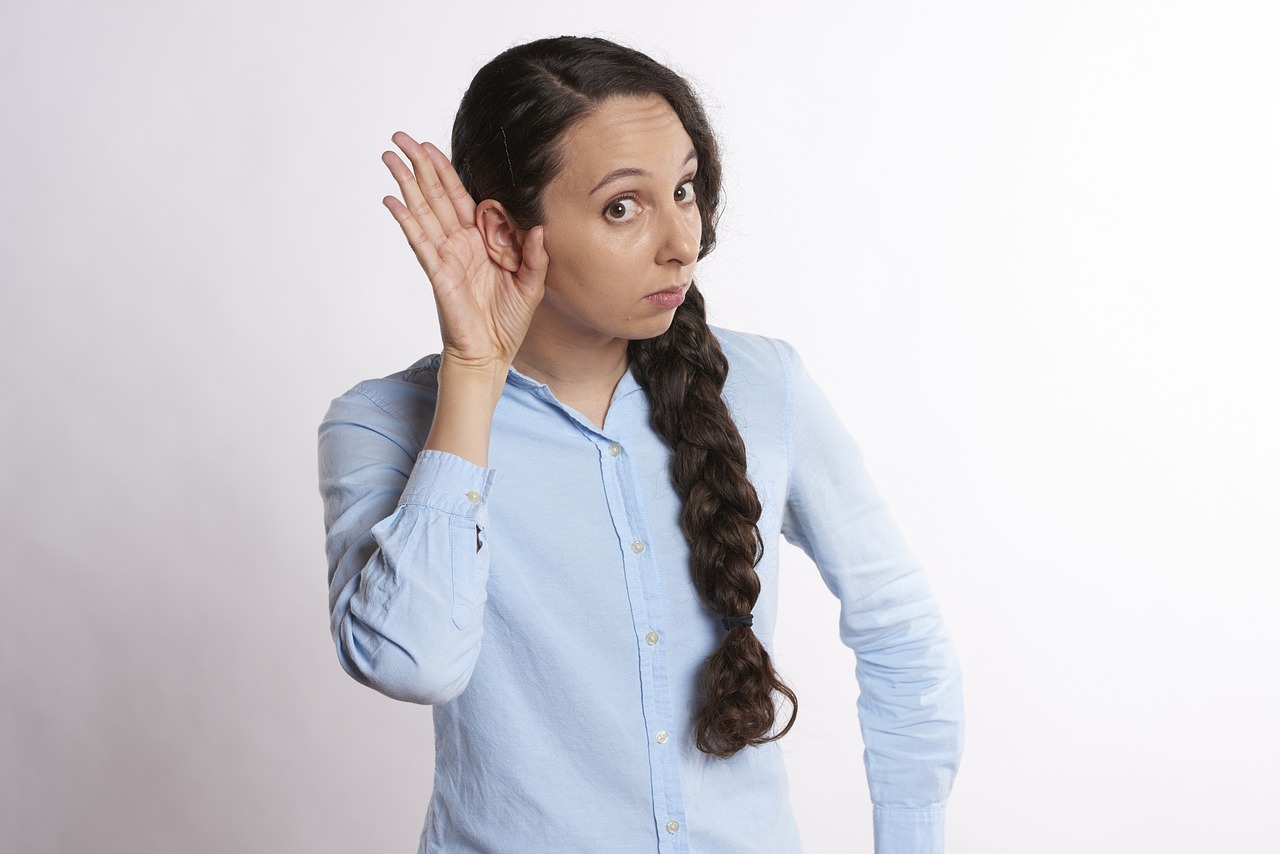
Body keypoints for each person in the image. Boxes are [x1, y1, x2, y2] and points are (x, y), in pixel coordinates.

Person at [318, 35, 963, 854]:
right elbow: (411, 662)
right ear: (505, 232)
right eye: (623, 206)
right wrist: (474, 374)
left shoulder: (766, 386)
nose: (680, 242)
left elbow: (899, 625)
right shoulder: (377, 425)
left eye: (684, 190)